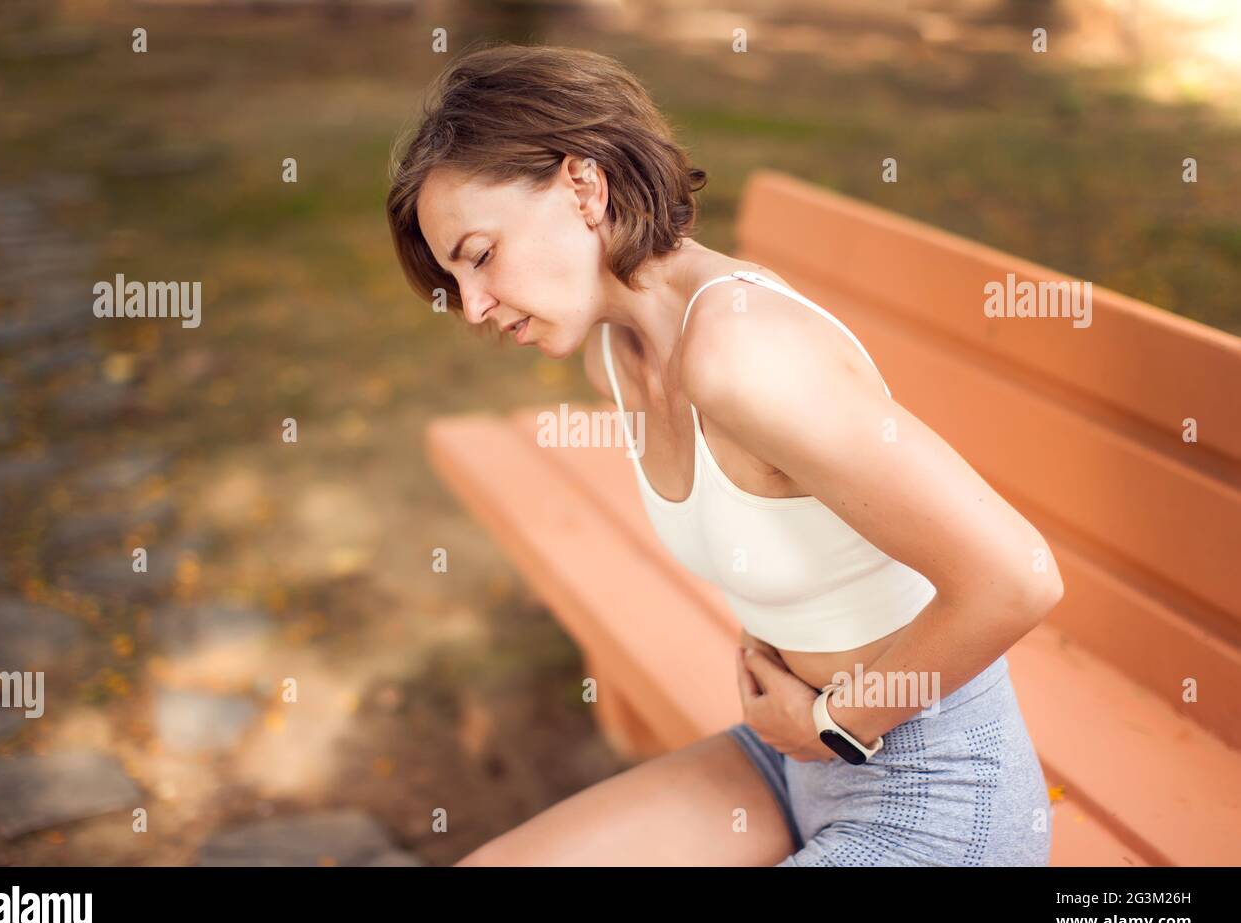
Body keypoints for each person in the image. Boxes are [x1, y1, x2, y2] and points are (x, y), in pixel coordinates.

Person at [386, 42, 1061, 866]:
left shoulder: (744, 356)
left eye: (481, 256)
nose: (474, 306)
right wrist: (804, 735)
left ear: (583, 186)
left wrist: (837, 725)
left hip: (930, 789)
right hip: (782, 763)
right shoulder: (617, 358)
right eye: (456, 284)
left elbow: (1017, 576)